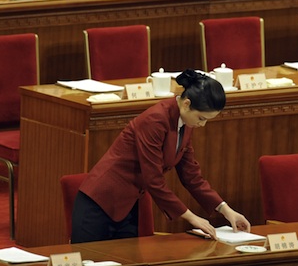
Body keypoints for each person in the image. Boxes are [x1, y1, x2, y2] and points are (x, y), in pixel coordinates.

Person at [72, 69, 251, 242]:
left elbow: (192, 176)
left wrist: (226, 210)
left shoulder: (185, 123)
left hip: (127, 206)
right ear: (187, 103)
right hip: (99, 203)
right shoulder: (155, 120)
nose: (202, 125)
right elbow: (153, 179)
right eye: (201, 118)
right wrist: (191, 217)